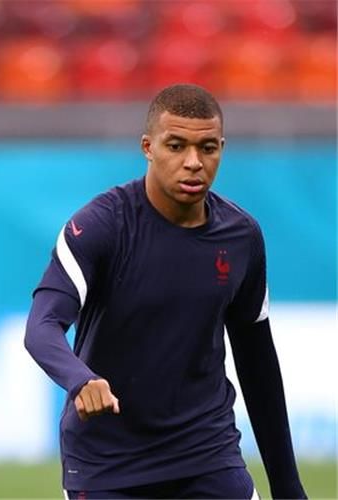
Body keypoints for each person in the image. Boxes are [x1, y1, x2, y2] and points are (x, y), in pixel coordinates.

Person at [24, 84, 306, 499]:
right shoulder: (101, 226)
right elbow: (42, 325)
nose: (193, 162)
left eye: (207, 148)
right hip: (107, 465)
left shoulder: (241, 236)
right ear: (148, 147)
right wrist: (80, 379)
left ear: (221, 148)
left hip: (207, 456)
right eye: (176, 146)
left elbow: (258, 363)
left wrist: (287, 486)